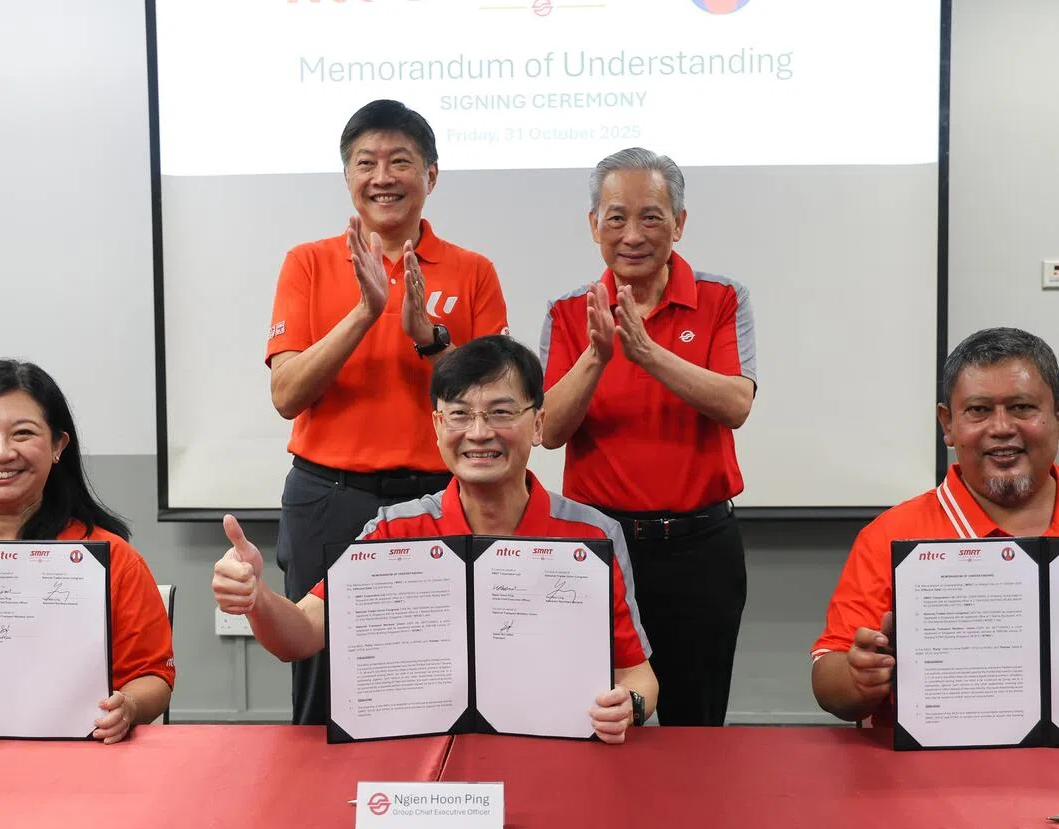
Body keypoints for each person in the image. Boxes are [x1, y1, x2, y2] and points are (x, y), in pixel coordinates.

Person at [217, 336, 657, 743]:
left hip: (554, 757)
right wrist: (257, 598)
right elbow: (299, 637)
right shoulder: (394, 532)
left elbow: (639, 677)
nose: (479, 432)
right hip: (418, 771)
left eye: (501, 413)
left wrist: (629, 706)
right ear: (437, 425)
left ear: (538, 424)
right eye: (460, 414)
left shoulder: (592, 535)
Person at [266, 99, 509, 725]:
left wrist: (429, 339)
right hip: (330, 499)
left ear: (430, 175)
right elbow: (287, 393)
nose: (383, 176)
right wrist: (364, 313)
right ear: (347, 176)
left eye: (401, 161)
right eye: (365, 162)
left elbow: (493, 407)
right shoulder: (309, 262)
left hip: (440, 499)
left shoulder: (474, 271)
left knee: (441, 681)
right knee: (324, 687)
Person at [539, 148, 756, 726]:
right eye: (615, 217)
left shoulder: (721, 299)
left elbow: (737, 403)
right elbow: (547, 431)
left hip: (698, 550)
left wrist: (648, 354)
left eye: (652, 217)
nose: (632, 234)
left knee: (697, 725)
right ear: (594, 226)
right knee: (596, 719)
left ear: (679, 223)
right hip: (599, 547)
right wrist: (596, 356)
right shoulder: (568, 312)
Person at [812, 327, 1059, 723]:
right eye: (978, 410)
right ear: (947, 424)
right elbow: (829, 680)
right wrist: (859, 678)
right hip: (932, 777)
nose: (1001, 427)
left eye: (1022, 407)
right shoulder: (891, 534)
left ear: (1056, 415)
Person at [0, 360, 174, 741]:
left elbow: (152, 675)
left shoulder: (107, 557)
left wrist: (129, 707)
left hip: (68, 766)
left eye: (23, 433)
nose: (1, 453)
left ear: (58, 446)